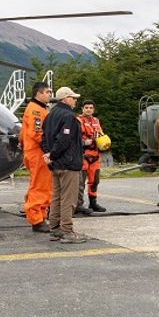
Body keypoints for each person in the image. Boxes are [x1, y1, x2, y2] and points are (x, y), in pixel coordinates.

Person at [42, 86, 87, 243]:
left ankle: (54, 229)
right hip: (68, 163)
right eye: (73, 98)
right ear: (65, 99)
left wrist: (48, 155)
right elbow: (64, 139)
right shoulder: (68, 116)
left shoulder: (49, 115)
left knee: (56, 197)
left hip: (55, 164)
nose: (75, 100)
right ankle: (67, 231)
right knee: (69, 198)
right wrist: (53, 154)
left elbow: (43, 137)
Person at [21, 82, 53, 232]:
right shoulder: (36, 110)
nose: (49, 95)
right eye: (47, 92)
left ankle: (39, 215)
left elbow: (23, 134)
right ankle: (37, 220)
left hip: (31, 152)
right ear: (38, 94)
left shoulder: (34, 109)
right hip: (37, 153)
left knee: (38, 184)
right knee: (40, 186)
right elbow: (37, 133)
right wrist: (48, 150)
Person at [77, 100, 106, 213]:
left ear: (93, 109)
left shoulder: (96, 121)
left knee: (94, 181)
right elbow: (74, 137)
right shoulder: (78, 120)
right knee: (80, 183)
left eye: (90, 107)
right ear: (82, 109)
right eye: (86, 107)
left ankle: (93, 203)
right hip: (83, 155)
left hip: (95, 156)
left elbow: (101, 134)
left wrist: (104, 142)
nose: (88, 109)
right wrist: (84, 143)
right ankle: (78, 205)